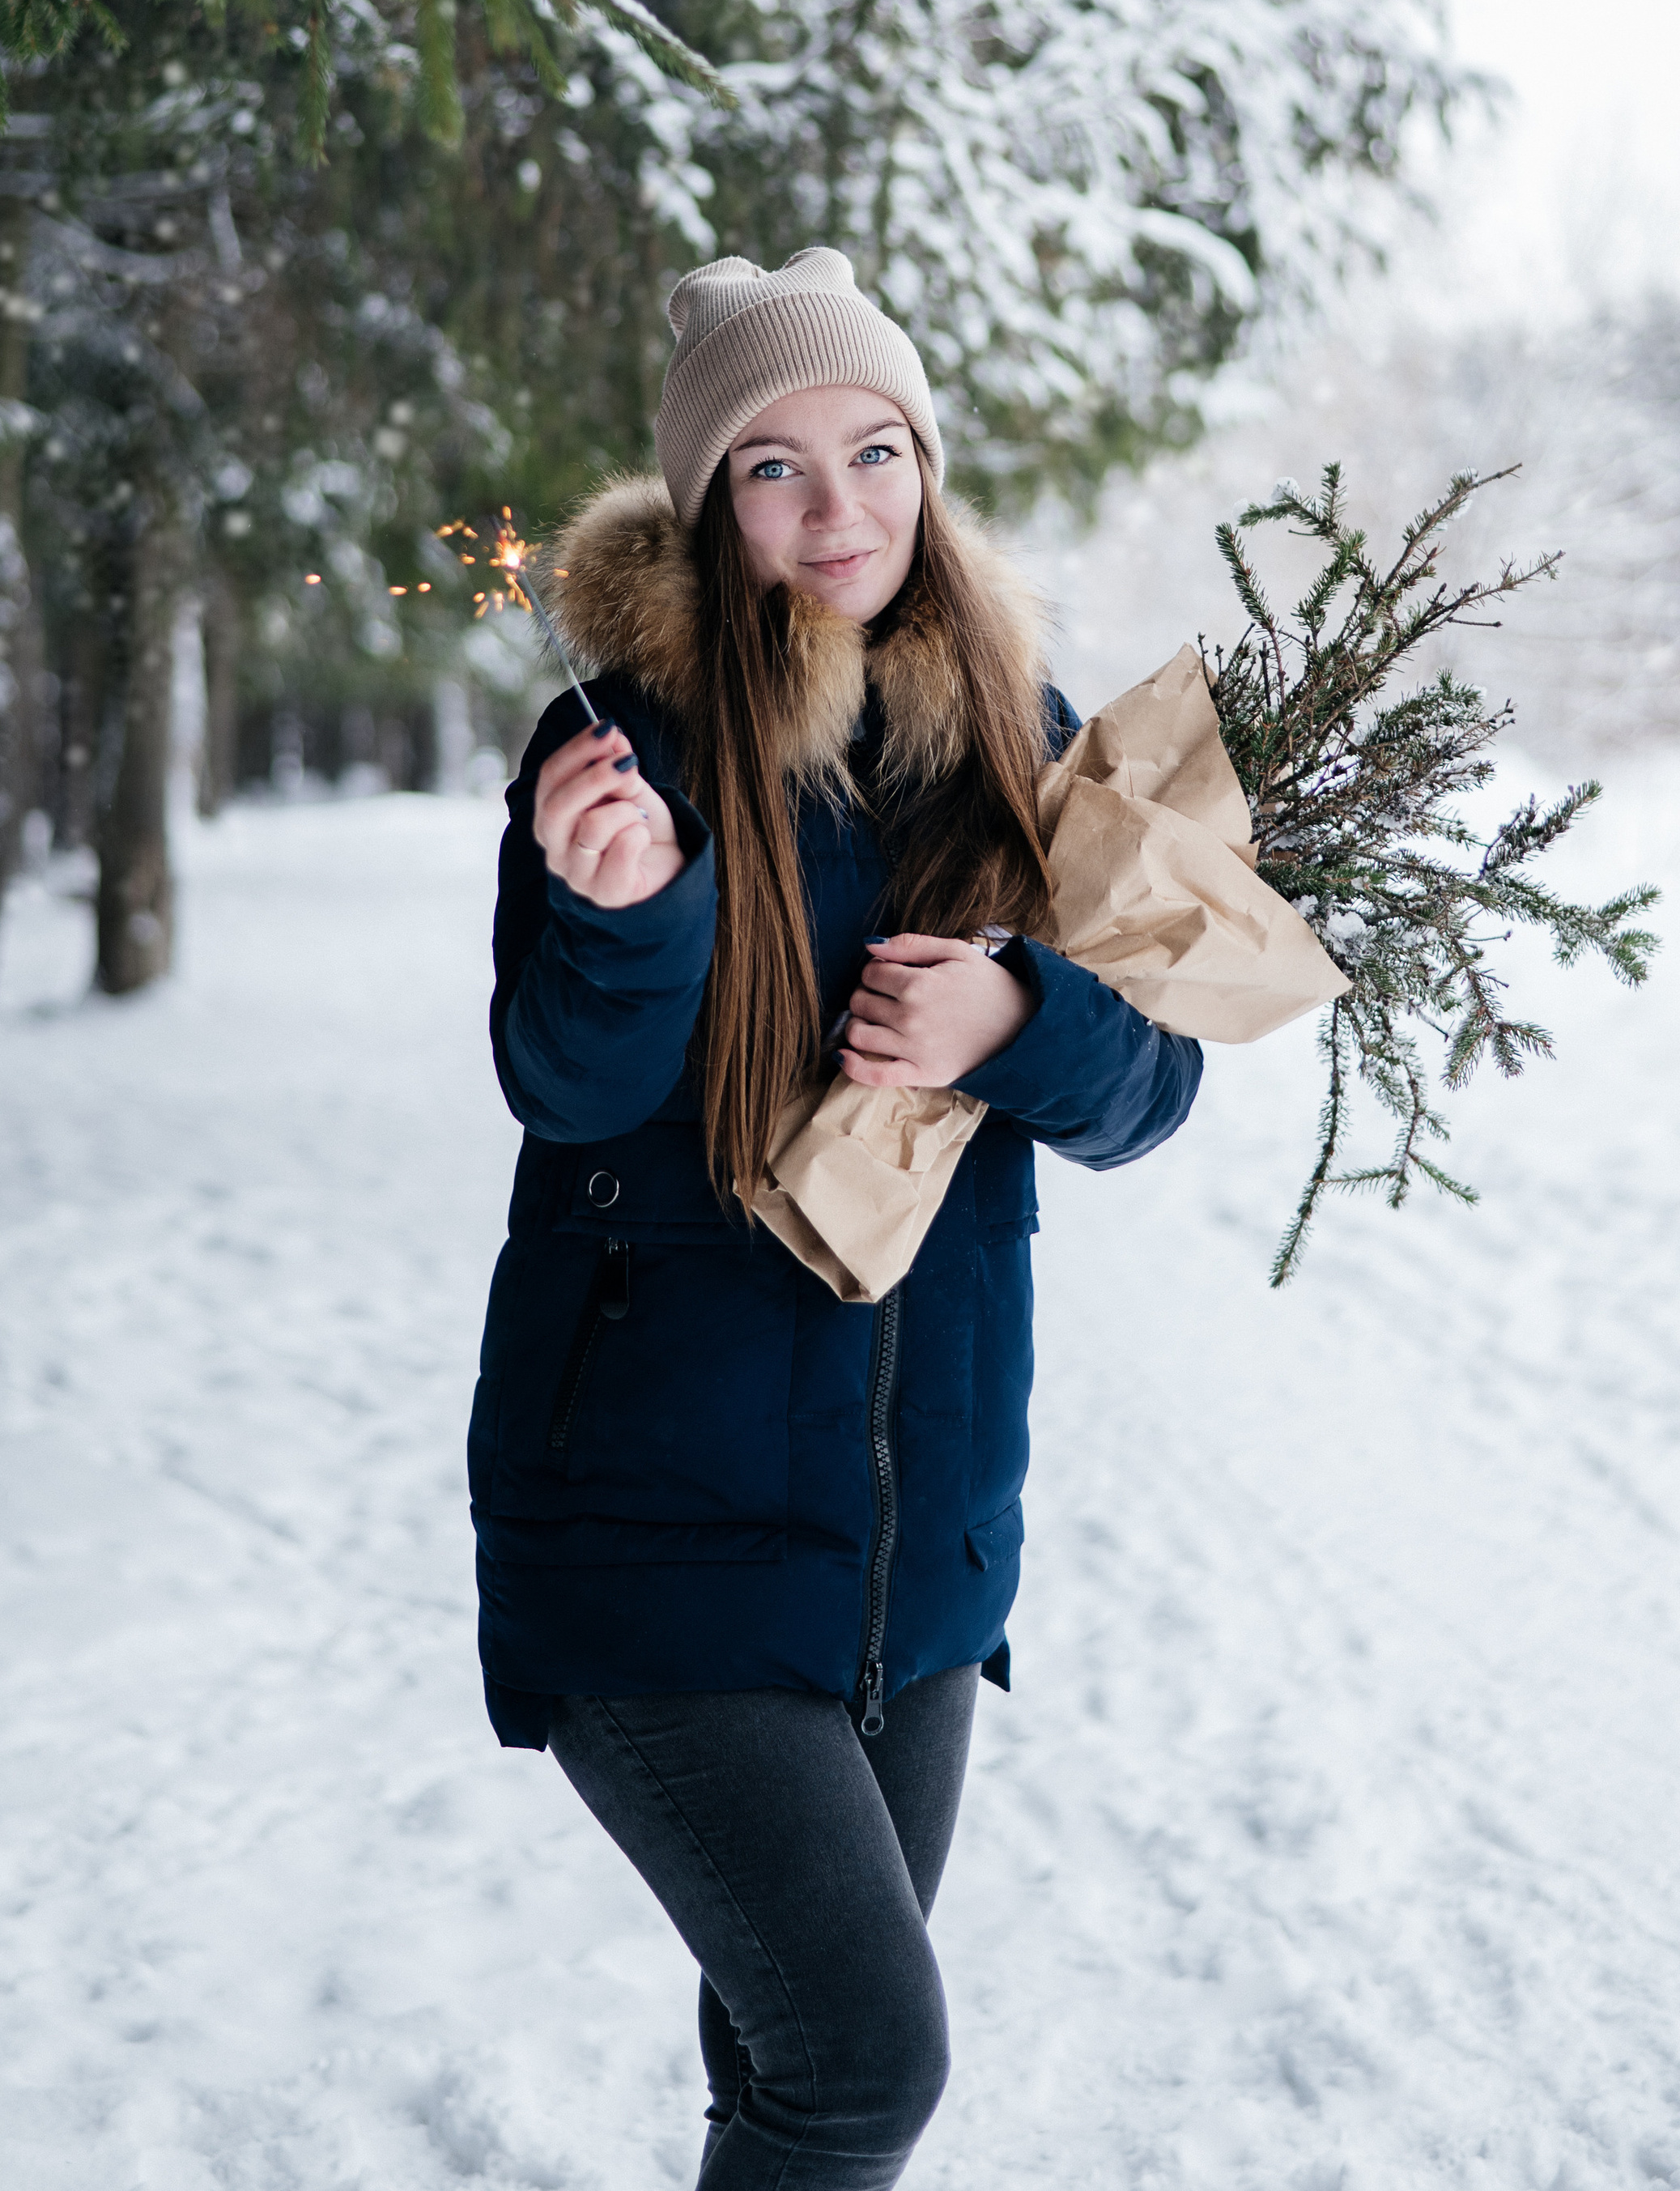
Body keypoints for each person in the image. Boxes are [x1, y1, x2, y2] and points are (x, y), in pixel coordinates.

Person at [471, 248, 1202, 2187]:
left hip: (923, 1559)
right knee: (863, 2068)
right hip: (656, 1536)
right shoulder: (620, 752)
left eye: (873, 452)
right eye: (773, 468)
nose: (836, 508)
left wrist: (1022, 1018)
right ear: (708, 505)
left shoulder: (1018, 739)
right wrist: (627, 925)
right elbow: (563, 1088)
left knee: (784, 2066)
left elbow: (1154, 1089)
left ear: (926, 471)